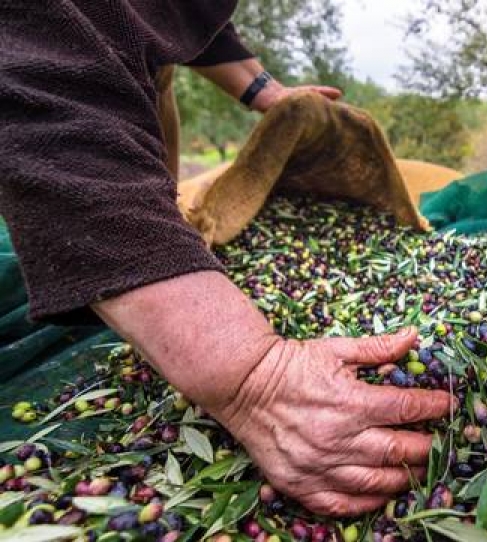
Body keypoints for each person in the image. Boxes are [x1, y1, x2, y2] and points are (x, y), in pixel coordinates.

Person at [0, 1, 454, 516]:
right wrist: (252, 377)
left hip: (123, 83)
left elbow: (176, 10)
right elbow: (45, 94)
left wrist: (267, 92)